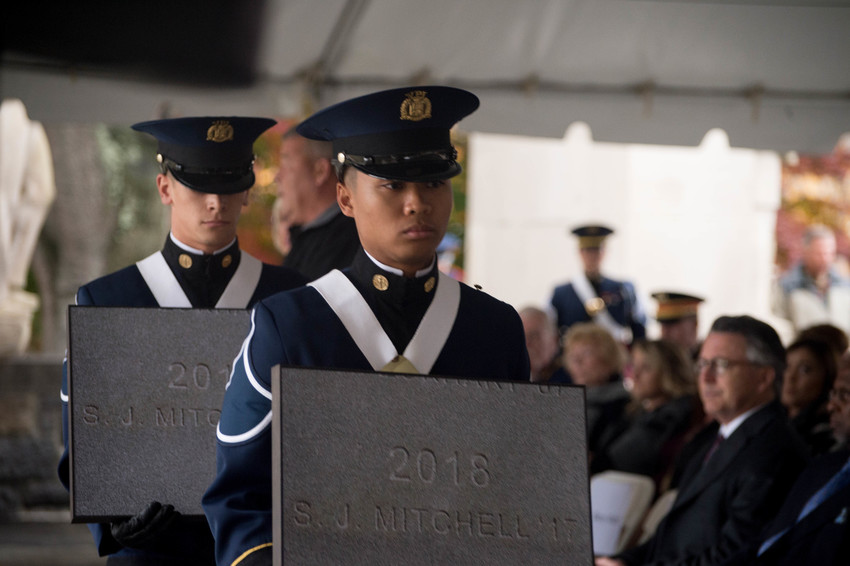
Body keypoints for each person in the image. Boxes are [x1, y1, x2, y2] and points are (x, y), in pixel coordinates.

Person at [202, 86, 531, 566]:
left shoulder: (495, 329)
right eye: (392, 185)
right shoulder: (288, 325)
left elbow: (517, 488)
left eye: (434, 183)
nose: (417, 203)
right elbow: (239, 498)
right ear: (345, 197)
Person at [57, 116, 307, 565]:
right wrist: (110, 522)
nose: (215, 202)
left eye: (230, 184)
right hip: (149, 550)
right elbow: (82, 431)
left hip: (259, 546)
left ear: (247, 190)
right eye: (197, 186)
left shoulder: (290, 298)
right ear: (165, 188)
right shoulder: (107, 299)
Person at [596, 315, 809, 566]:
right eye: (702, 363)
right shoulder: (714, 435)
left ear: (763, 378)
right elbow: (669, 535)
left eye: (721, 365)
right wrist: (624, 561)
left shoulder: (774, 450)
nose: (705, 377)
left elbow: (736, 555)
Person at [720, 351, 850, 565]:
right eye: (833, 394)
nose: (831, 406)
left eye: (844, 395)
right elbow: (766, 542)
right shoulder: (823, 466)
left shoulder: (781, 447)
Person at [591, 339, 703, 495]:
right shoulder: (639, 411)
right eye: (633, 366)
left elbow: (616, 462)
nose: (635, 375)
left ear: (668, 372)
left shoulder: (670, 417)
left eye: (646, 368)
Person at [275, 126, 360, 280]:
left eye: (286, 165)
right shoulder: (310, 239)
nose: (277, 177)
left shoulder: (346, 242)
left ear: (320, 171)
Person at [550, 225, 646, 345]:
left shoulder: (623, 289)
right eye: (587, 250)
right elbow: (552, 332)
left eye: (597, 250)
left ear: (605, 252)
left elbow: (638, 329)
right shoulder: (561, 293)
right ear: (580, 252)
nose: (592, 256)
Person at [562, 322, 630, 455]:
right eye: (572, 355)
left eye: (586, 353)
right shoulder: (567, 401)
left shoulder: (624, 405)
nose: (577, 361)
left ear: (609, 358)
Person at [774, 224, 850, 335]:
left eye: (829, 253)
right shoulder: (787, 287)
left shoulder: (844, 287)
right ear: (806, 252)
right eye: (819, 254)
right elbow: (780, 327)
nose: (825, 259)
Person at [782, 337, 838, 456]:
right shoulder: (772, 420)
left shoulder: (825, 434)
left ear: (827, 378)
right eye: (786, 366)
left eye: (805, 370)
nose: (790, 377)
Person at [519, 305, 569, 384]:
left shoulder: (573, 377)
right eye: (521, 337)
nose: (527, 343)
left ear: (554, 340)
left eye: (534, 336)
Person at [652, 291, 704, 359]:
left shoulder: (708, 360)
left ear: (694, 324)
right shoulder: (657, 360)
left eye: (672, 324)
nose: (665, 332)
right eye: (662, 325)